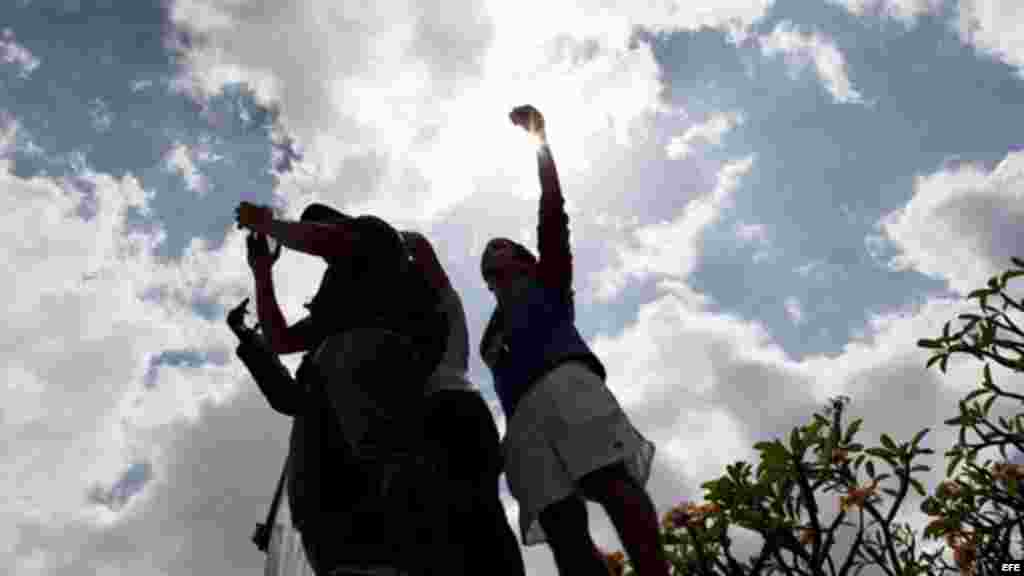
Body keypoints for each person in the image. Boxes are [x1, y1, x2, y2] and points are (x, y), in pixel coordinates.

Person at [478, 105, 669, 576]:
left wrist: (539, 139)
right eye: (487, 253)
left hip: (566, 383)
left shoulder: (548, 281)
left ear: (524, 259)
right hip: (520, 417)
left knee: (610, 482)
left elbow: (551, 211)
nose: (492, 250)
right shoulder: (489, 332)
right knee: (562, 526)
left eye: (502, 245)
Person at [235, 201, 448, 576]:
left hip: (377, 377)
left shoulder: (377, 237)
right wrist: (262, 273)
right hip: (329, 420)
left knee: (382, 475)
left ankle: (403, 519)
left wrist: (269, 225)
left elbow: (328, 240)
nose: (317, 249)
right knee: (315, 499)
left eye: (317, 228)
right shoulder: (333, 304)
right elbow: (281, 340)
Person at [402, 231, 526, 576]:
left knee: (477, 518)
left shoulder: (443, 304)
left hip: (455, 411)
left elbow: (420, 246)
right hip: (447, 417)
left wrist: (375, 239)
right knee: (462, 525)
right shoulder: (404, 326)